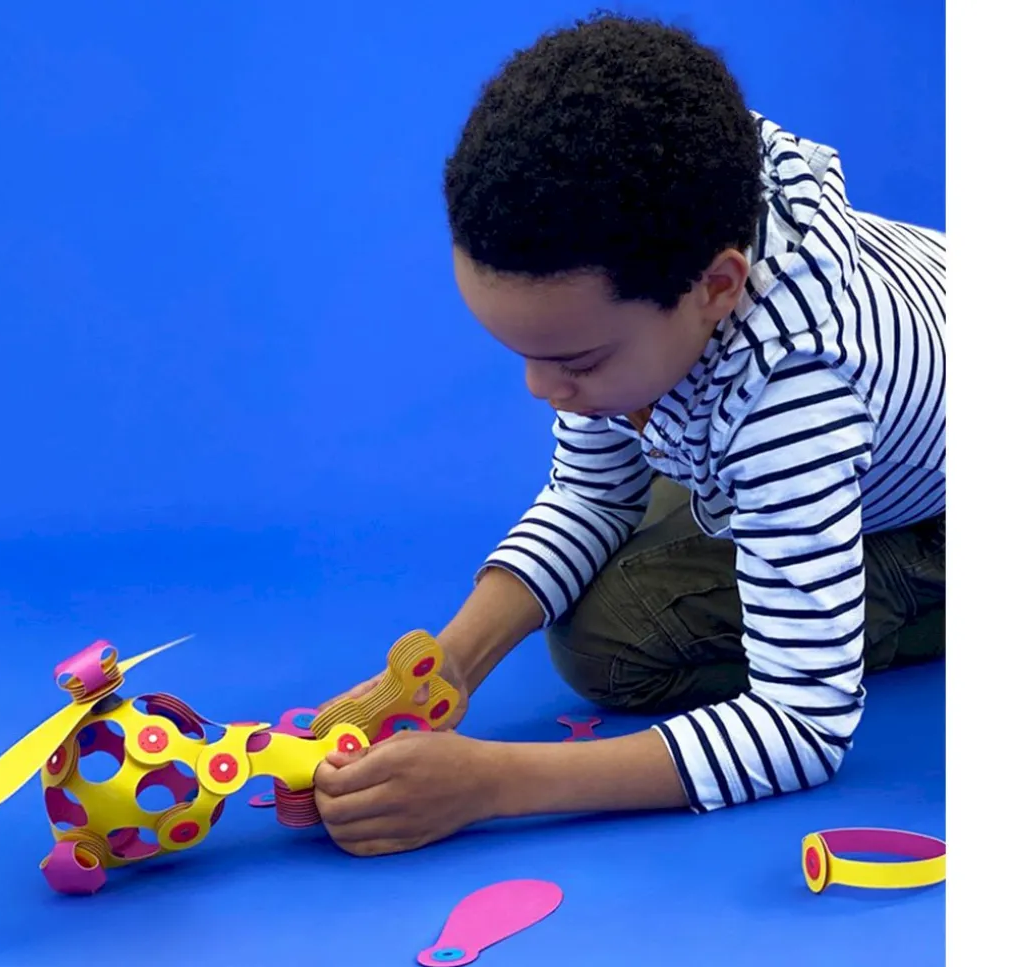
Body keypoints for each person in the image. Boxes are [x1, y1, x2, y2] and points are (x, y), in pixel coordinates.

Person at [310, 12, 945, 857]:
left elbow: (802, 724)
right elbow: (592, 493)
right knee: (625, 526)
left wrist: (493, 782)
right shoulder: (674, 216)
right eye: (525, 354)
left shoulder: (793, 396)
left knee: (611, 641)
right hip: (884, 399)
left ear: (716, 287)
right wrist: (450, 665)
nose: (542, 390)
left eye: (575, 359)